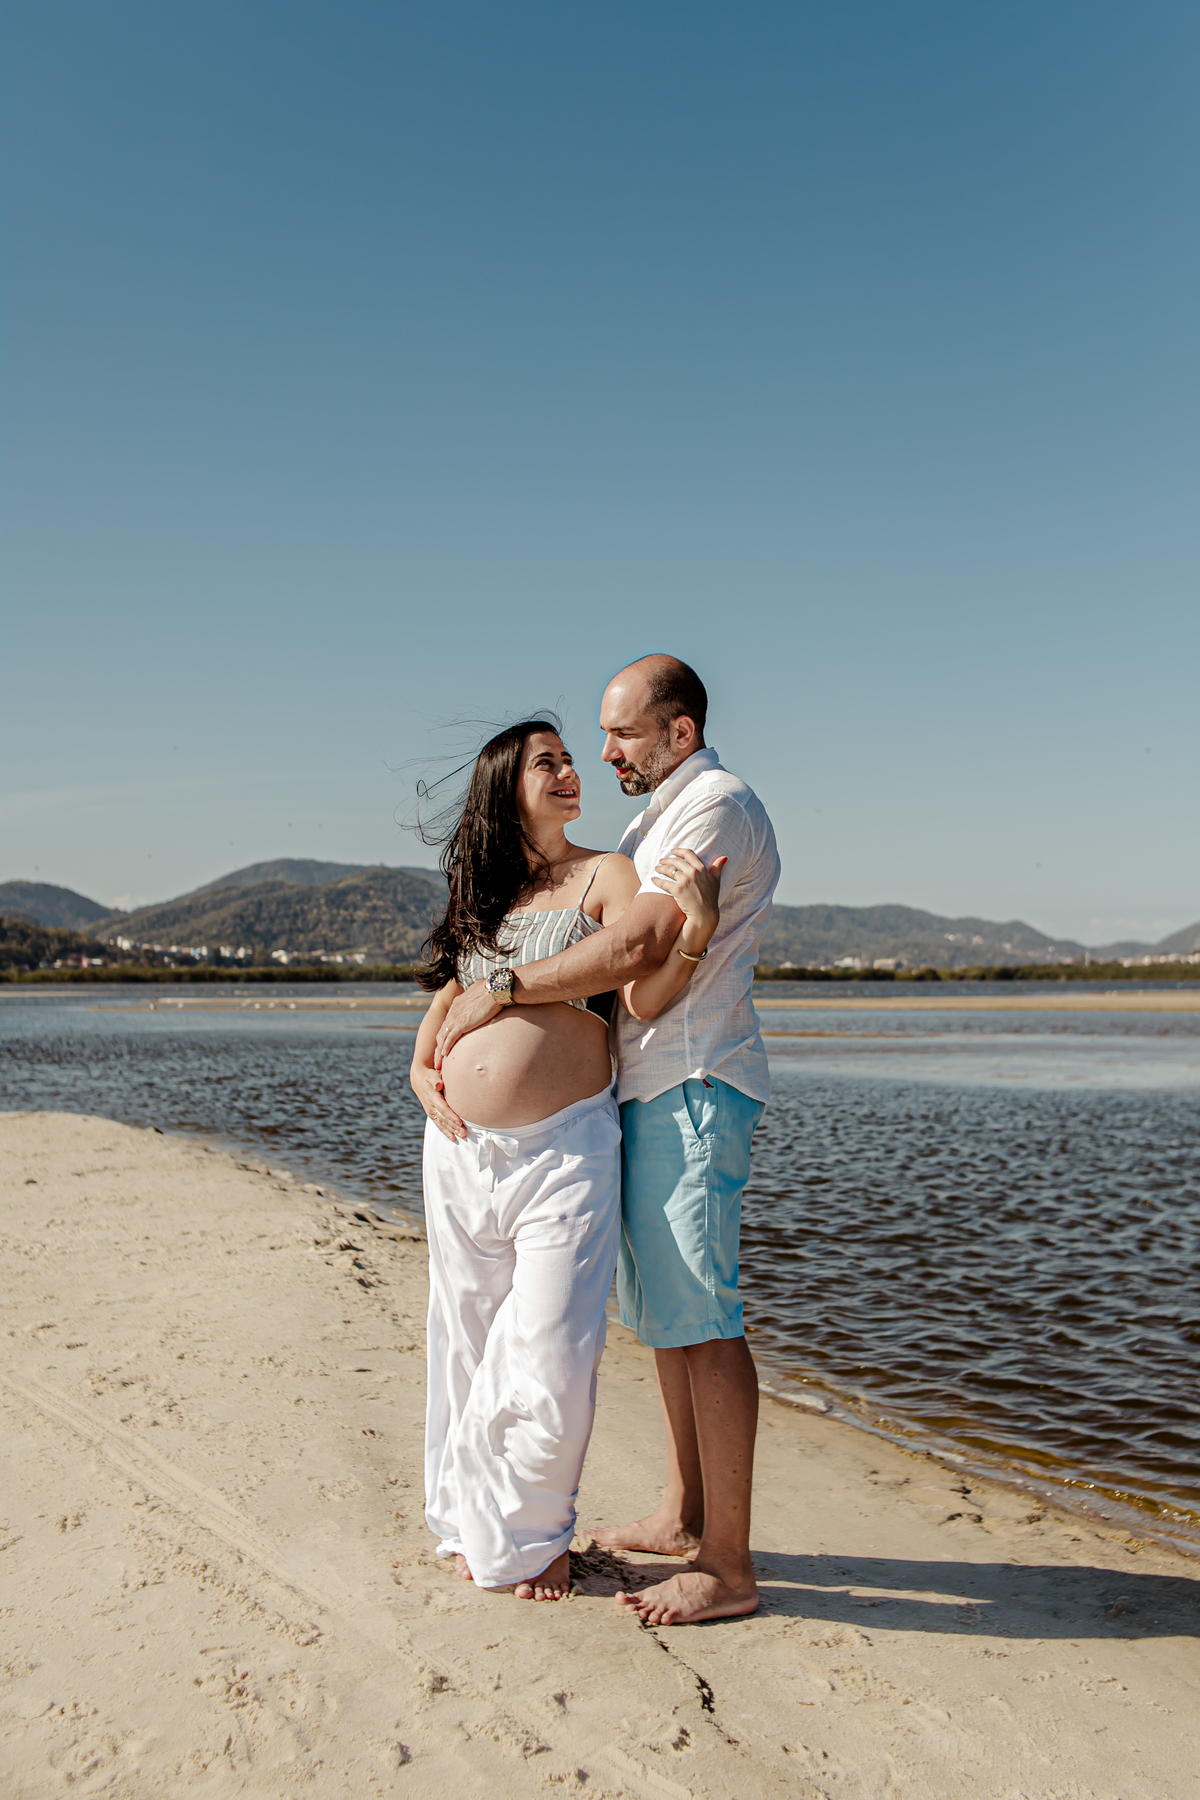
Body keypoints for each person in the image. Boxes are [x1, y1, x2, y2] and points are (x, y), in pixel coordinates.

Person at [435, 656, 780, 1626]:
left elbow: (636, 953)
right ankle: (684, 1513)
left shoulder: (711, 804)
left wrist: (497, 990)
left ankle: (729, 1565)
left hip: (694, 1082)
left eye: (623, 732)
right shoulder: (651, 821)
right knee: (669, 1315)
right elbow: (635, 976)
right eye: (601, 733)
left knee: (704, 1321)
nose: (605, 751)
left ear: (678, 731)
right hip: (647, 1087)